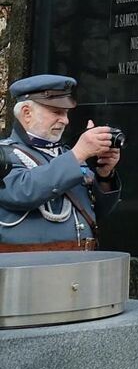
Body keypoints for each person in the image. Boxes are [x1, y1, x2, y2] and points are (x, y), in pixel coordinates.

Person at [0, 75, 121, 250]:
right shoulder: (5, 153)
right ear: (27, 113)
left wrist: (105, 175)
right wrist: (79, 153)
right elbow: (23, 191)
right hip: (28, 270)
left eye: (66, 113)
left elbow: (98, 212)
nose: (65, 120)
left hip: (79, 265)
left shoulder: (66, 156)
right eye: (56, 112)